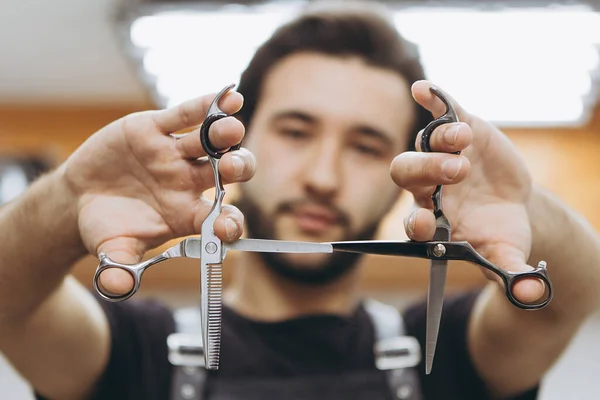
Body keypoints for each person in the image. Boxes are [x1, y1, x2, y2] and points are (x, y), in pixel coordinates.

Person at [1, 2, 599, 400]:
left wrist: (527, 209)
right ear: (239, 139)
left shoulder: (447, 355)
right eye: (295, 131)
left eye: (366, 145)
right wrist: (69, 198)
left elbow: (577, 289)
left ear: (408, 167)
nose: (323, 176)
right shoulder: (131, 353)